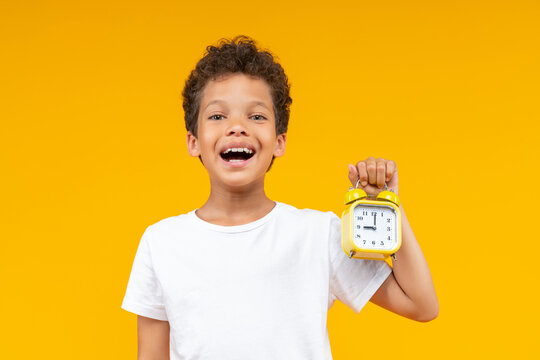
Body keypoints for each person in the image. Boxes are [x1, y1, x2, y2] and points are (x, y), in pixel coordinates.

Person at [121, 35, 438, 360]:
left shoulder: (319, 234)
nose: (237, 127)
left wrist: (389, 206)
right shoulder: (161, 242)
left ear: (279, 141)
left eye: (256, 116)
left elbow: (422, 304)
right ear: (193, 142)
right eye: (218, 116)